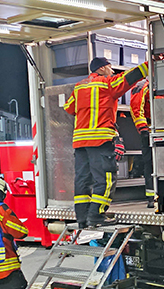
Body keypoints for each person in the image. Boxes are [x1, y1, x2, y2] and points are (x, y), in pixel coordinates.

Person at [65, 56, 148, 227]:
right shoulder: (107, 84)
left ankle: (82, 218)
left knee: (82, 180)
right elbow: (130, 77)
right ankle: (96, 216)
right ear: (102, 68)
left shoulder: (79, 87)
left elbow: (69, 108)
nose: (112, 72)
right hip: (100, 140)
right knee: (105, 179)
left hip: (80, 143)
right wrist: (151, 63)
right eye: (110, 68)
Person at [129, 78, 155, 208]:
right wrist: (143, 128)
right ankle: (152, 197)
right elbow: (136, 106)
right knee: (150, 164)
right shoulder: (142, 85)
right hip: (151, 131)